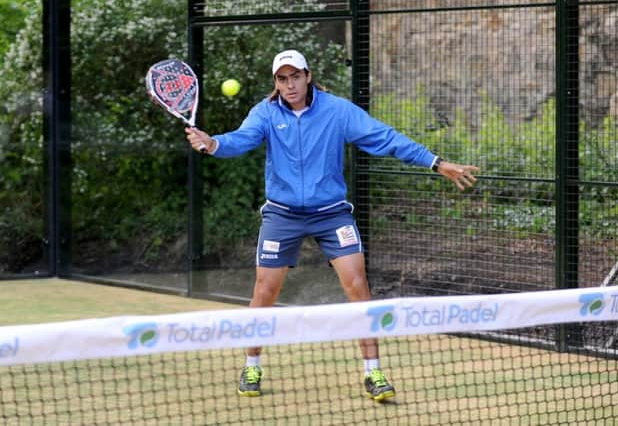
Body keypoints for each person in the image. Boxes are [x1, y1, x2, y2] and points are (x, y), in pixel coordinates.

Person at [186, 49, 479, 401]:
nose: (290, 84)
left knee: (358, 287)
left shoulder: (337, 110)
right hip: (282, 213)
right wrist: (213, 143)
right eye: (282, 79)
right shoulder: (265, 112)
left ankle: (374, 373)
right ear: (275, 83)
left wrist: (436, 162)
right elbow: (240, 139)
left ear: (308, 76)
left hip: (332, 214)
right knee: (265, 291)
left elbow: (385, 138)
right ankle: (252, 364)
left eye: (295, 76)